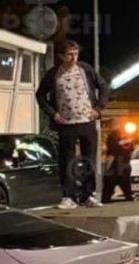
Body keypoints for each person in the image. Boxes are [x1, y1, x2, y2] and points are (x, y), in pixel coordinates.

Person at [37, 40, 109, 210]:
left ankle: (88, 195)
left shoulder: (85, 69)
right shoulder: (54, 74)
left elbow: (104, 87)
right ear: (61, 56)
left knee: (89, 159)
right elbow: (40, 95)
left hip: (87, 121)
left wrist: (98, 109)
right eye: (69, 54)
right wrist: (53, 113)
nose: (73, 58)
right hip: (66, 124)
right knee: (67, 160)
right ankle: (68, 197)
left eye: (75, 54)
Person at [101, 117, 135, 203]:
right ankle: (130, 197)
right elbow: (131, 150)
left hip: (115, 165)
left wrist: (107, 166)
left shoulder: (112, 136)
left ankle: (106, 199)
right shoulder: (126, 135)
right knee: (125, 184)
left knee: (108, 185)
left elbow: (112, 152)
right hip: (125, 164)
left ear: (111, 125)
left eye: (108, 125)